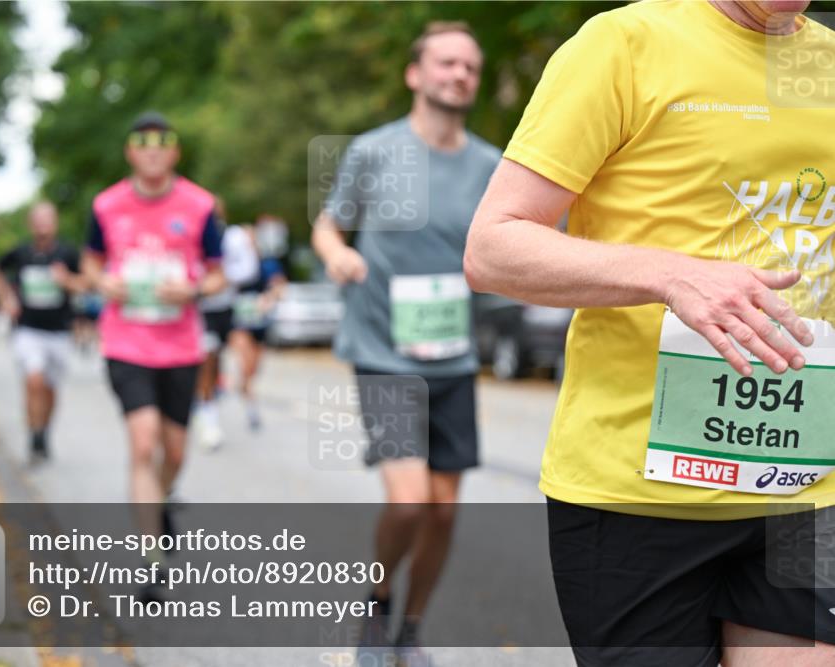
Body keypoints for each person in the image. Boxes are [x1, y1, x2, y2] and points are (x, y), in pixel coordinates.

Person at [464, 1, 833, 665]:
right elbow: (493, 248)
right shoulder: (624, 44)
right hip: (638, 487)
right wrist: (671, 275)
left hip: (800, 479)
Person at [311, 21, 501, 666]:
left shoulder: (490, 166)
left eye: (470, 67)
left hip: (453, 353)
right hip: (383, 352)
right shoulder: (373, 152)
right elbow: (328, 227)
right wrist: (337, 256)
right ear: (415, 74)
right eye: (446, 63)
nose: (459, 75)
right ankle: (375, 602)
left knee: (444, 513)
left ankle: (410, 631)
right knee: (411, 498)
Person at [80, 112, 226, 597]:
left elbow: (218, 273)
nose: (152, 150)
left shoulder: (201, 206)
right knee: (143, 443)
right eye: (143, 142)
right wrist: (104, 282)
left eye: (162, 143)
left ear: (175, 152)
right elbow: (90, 263)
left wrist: (191, 290)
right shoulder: (105, 206)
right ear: (130, 151)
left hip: (181, 344)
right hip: (126, 340)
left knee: (175, 450)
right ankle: (151, 558)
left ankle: (160, 501)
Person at [0, 201, 86, 460]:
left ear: (55, 223)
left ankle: (44, 431)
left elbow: (85, 285)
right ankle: (33, 434)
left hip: (59, 332)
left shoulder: (67, 253)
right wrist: (6, 298)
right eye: (38, 219)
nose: (43, 224)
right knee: (34, 381)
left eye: (48, 219)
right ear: (31, 224)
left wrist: (67, 281)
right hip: (28, 330)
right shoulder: (21, 252)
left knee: (50, 389)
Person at [229, 216, 287, 431]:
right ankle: (251, 406)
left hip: (260, 322)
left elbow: (279, 286)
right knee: (245, 362)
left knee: (254, 368)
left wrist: (269, 299)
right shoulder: (232, 264)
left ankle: (245, 389)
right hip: (240, 322)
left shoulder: (267, 262)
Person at [193, 196, 235, 450]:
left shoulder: (232, 237)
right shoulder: (192, 234)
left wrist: (225, 279)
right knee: (207, 358)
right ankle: (208, 415)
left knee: (216, 359)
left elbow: (244, 269)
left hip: (224, 309)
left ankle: (206, 398)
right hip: (199, 310)